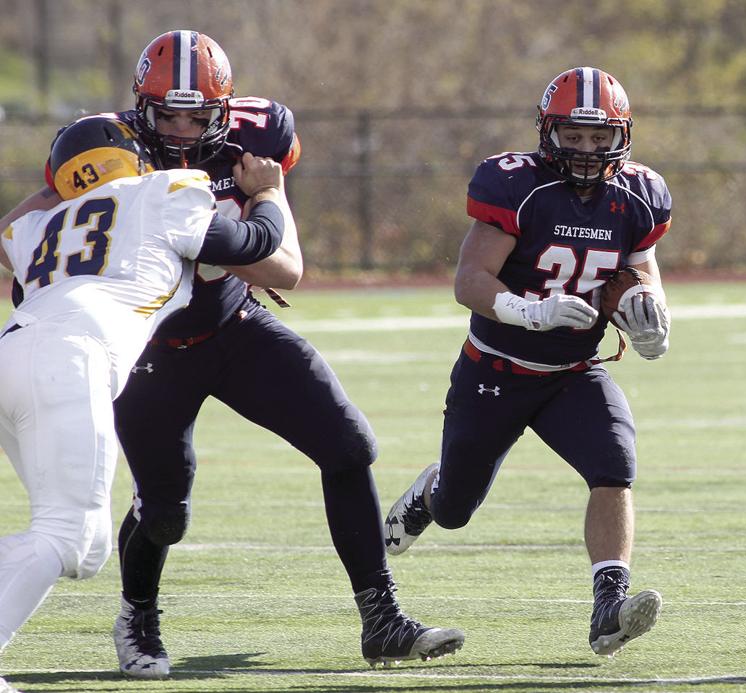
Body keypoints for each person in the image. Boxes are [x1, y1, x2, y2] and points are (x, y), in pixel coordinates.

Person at [0, 30, 463, 678]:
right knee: (164, 506)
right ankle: (137, 615)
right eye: (171, 115)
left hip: (233, 324)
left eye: (200, 116)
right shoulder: (107, 148)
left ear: (225, 110)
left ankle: (381, 616)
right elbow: (23, 225)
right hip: (147, 349)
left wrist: (233, 237)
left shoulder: (259, 133)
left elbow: (288, 265)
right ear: (142, 109)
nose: (186, 131)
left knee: (348, 443)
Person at [382, 66, 670, 657]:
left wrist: (649, 315)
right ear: (548, 133)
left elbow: (639, 271)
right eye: (574, 136)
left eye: (600, 137)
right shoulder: (517, 185)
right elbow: (470, 280)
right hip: (497, 368)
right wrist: (528, 312)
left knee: (614, 465)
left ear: (622, 135)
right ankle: (429, 496)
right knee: (457, 509)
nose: (587, 150)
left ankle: (609, 604)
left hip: (573, 372)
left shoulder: (640, 194)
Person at [0, 116, 292, 691]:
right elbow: (255, 243)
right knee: (63, 533)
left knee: (85, 549)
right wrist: (270, 193)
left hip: (15, 350)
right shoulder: (165, 188)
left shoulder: (35, 226)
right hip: (71, 357)